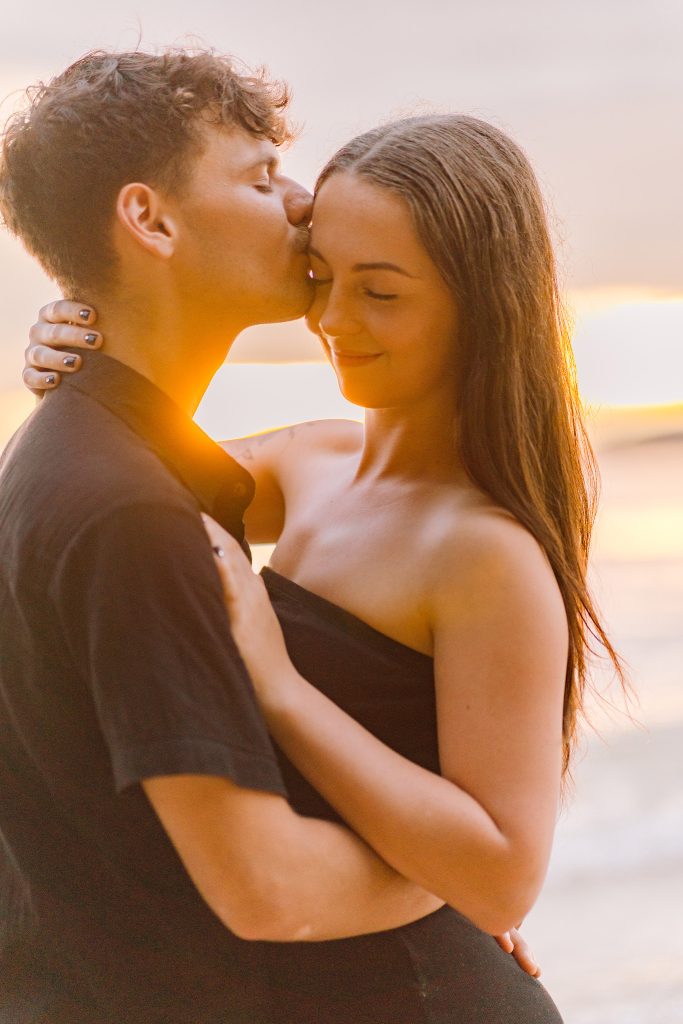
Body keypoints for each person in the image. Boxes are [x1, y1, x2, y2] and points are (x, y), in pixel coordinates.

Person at [20, 92, 624, 1020]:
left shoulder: (484, 555)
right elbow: (126, 467)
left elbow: (502, 881)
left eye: (380, 292)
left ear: (481, 306)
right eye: (320, 277)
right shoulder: (309, 461)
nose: (334, 319)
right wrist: (74, 333)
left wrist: (280, 689)